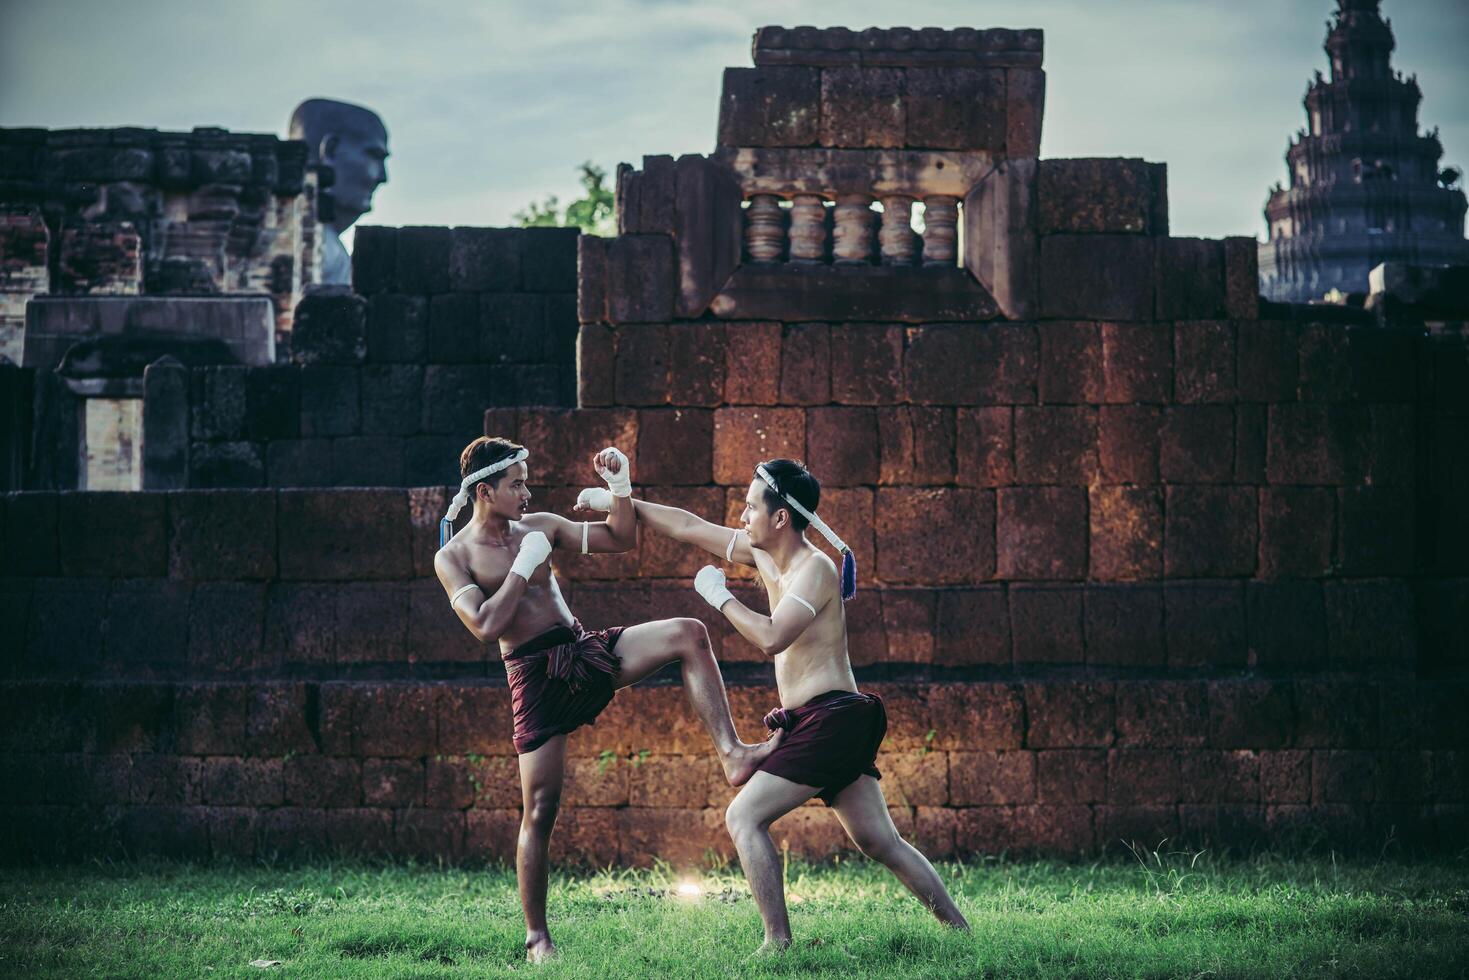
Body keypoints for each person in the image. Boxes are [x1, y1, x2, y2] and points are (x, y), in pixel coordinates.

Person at [593, 457, 969, 952]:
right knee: (879, 841)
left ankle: (777, 943)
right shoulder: (764, 553)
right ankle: (961, 934)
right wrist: (619, 496)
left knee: (743, 818)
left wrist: (720, 598)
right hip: (823, 721)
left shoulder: (814, 569)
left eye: (750, 507)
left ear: (781, 518)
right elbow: (687, 525)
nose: (742, 515)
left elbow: (772, 638)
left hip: (833, 718)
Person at [433, 436, 776, 963]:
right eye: (516, 485)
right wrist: (523, 567)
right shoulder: (452, 556)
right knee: (540, 811)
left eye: (527, 482)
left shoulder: (540, 526)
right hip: (534, 679)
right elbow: (483, 626)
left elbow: (619, 538)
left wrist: (620, 486)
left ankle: (733, 752)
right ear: (484, 491)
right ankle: (537, 938)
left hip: (582, 652)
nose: (527, 493)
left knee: (688, 632)